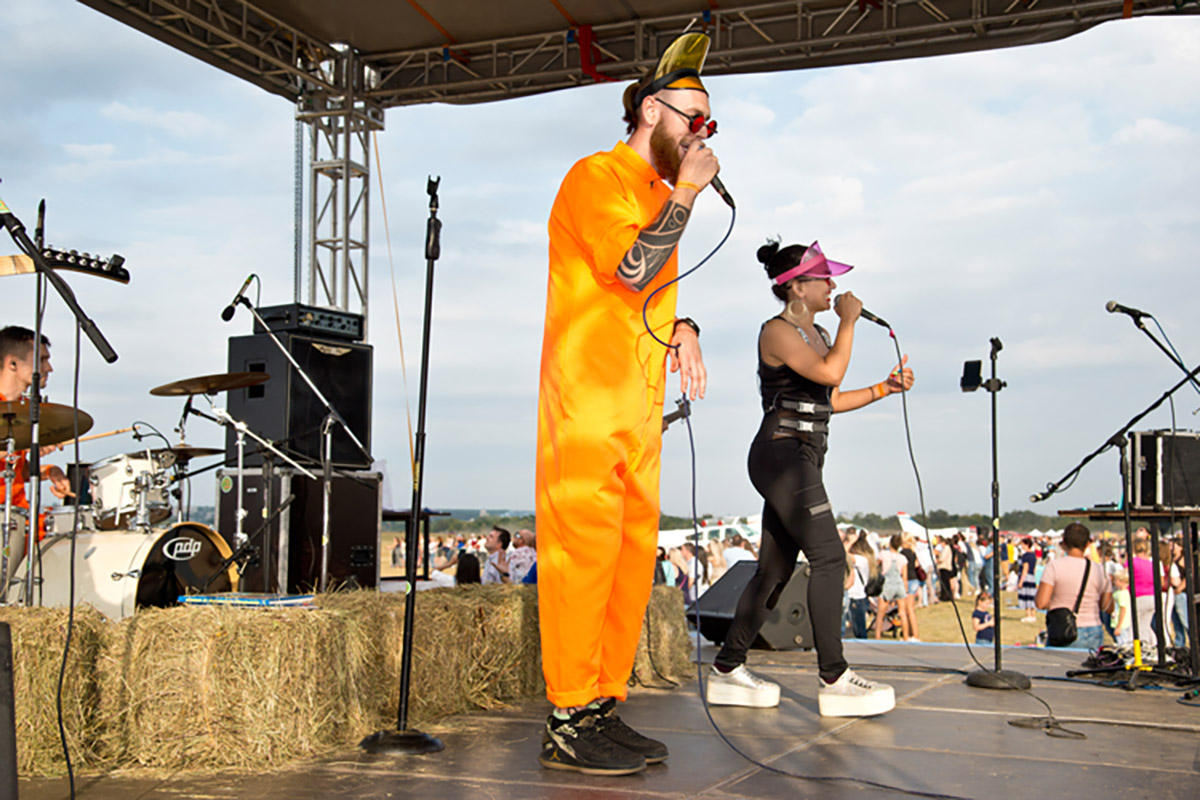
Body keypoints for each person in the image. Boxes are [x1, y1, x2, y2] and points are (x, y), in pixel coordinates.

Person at [534, 32, 719, 776]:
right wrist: (688, 193)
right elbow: (632, 266)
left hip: (640, 410)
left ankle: (600, 705)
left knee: (629, 562)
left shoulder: (654, 195)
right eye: (692, 117)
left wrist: (685, 325)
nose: (701, 132)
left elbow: (650, 293)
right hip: (587, 406)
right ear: (649, 111)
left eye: (709, 123)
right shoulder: (596, 176)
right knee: (582, 557)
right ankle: (566, 714)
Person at [703, 236, 914, 718]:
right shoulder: (777, 331)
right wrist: (848, 321)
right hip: (781, 454)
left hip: (803, 455)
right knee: (829, 557)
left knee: (775, 571)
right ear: (796, 287)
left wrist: (884, 389)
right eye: (824, 278)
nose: (833, 286)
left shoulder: (816, 335)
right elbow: (831, 374)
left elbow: (829, 399)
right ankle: (834, 678)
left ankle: (727, 669)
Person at [1, 326, 73, 589]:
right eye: (41, 359)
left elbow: (14, 470)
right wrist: (16, 444)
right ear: (12, 363)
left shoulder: (20, 412)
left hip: (18, 516)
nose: (49, 368)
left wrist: (48, 470)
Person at [1035, 523, 1113, 651]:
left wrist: (1058, 602)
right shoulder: (1100, 570)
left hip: (1063, 628)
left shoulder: (1054, 566)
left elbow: (1041, 603)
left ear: (1064, 542)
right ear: (1088, 544)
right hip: (1093, 628)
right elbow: (1107, 607)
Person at [874, 534, 910, 641]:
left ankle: (877, 636)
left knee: (881, 612)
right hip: (899, 583)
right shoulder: (902, 558)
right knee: (902, 613)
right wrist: (905, 589)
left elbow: (876, 565)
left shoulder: (883, 554)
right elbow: (904, 576)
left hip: (887, 583)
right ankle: (906, 636)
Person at [846, 535, 874, 639]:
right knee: (856, 629)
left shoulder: (860, 559)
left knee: (859, 631)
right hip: (857, 597)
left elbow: (842, 554)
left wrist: (849, 543)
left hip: (856, 597)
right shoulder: (865, 560)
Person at [1016, 538, 1039, 623]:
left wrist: (1021, 581)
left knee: (1026, 596)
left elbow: (1025, 568)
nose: (1022, 546)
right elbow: (1034, 568)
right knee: (1032, 596)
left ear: (1027, 545)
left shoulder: (1025, 556)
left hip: (1026, 577)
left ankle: (1028, 615)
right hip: (1032, 577)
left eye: (1023, 544)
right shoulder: (1033, 555)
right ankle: (1033, 615)